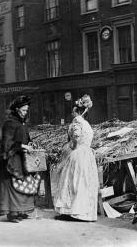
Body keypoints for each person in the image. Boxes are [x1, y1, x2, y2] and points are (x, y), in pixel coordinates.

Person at [54, 94, 99, 222]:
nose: (72, 114)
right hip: (87, 154)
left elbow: (76, 138)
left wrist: (70, 146)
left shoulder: (77, 123)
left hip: (77, 154)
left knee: (72, 182)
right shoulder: (87, 125)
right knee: (83, 182)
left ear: (77, 112)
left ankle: (73, 212)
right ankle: (83, 212)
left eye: (73, 112)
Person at [0, 95, 36, 223]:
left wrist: (30, 144)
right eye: (23, 110)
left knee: (22, 185)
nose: (25, 113)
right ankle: (12, 213)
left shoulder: (20, 123)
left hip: (20, 157)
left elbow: (24, 138)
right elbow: (7, 143)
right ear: (17, 109)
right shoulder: (9, 123)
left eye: (26, 110)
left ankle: (21, 211)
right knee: (12, 187)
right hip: (10, 159)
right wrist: (23, 146)